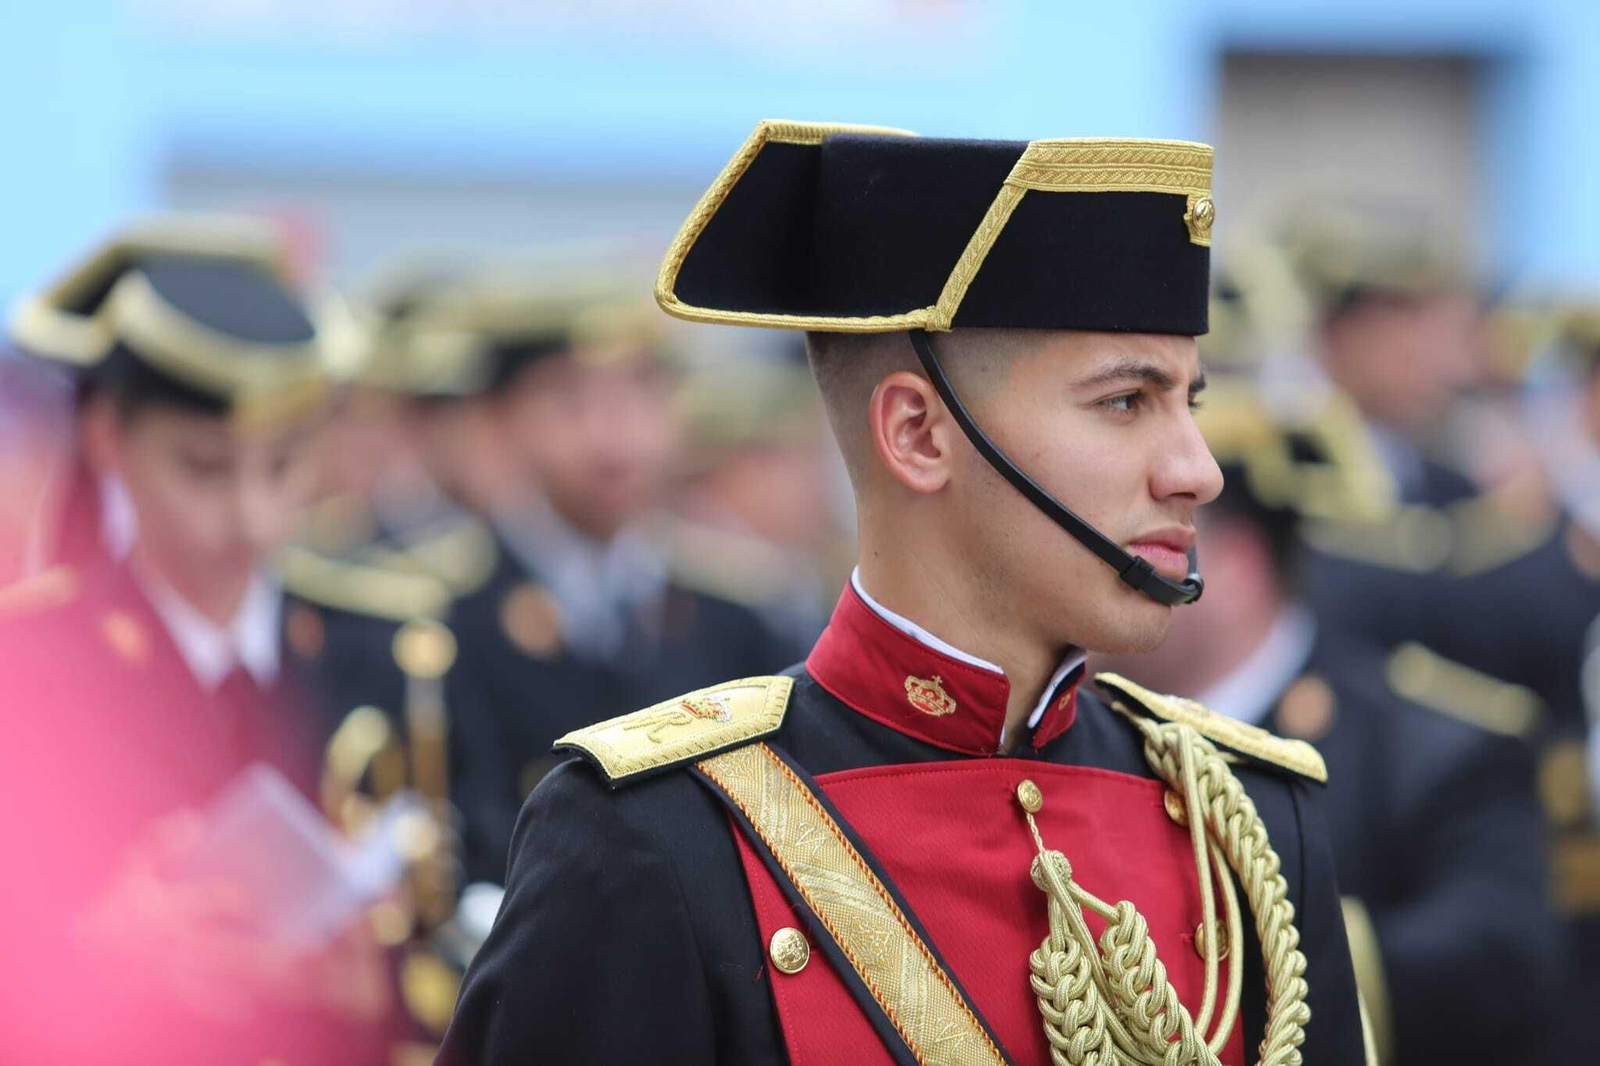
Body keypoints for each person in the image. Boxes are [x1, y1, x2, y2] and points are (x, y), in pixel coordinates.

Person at [439, 120, 1368, 1064]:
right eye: (1125, 401)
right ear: (919, 435)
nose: (1199, 470)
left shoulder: (1244, 829)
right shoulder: (652, 839)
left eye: (1188, 402)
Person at [0, 216, 396, 1064]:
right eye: (204, 468)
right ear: (107, 438)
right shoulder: (24, 664)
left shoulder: (390, 648)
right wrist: (93, 947)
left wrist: (382, 980)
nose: (252, 515)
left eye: (283, 465)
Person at [1098, 380, 1563, 1063]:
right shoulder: (1088, 728)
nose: (1108, 566)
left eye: (1149, 544)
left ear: (1237, 567)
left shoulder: (1433, 751)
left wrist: (1223, 959)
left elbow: (1493, 965)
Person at [436, 269, 807, 889]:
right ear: (500, 421)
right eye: (568, 399)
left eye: (639, 393)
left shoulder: (737, 615)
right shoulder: (445, 616)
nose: (611, 436)